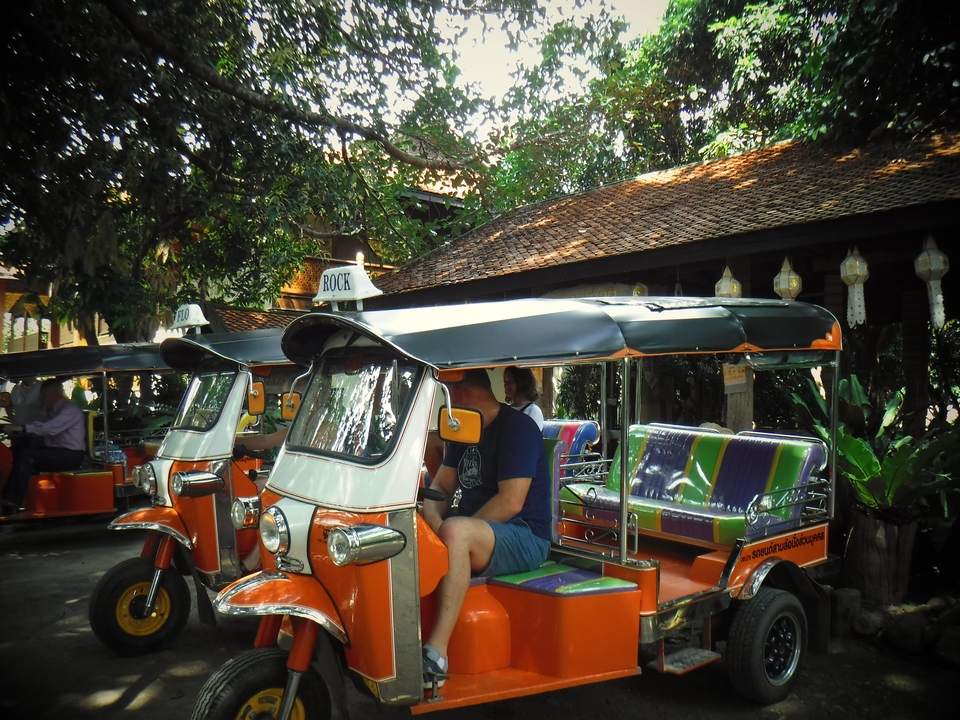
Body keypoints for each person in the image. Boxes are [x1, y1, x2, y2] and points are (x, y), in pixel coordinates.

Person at [419, 369, 551, 689]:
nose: (447, 404)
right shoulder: (464, 429)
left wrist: (450, 531)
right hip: (477, 529)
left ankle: (436, 654)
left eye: (448, 396)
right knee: (410, 521)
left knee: (456, 532)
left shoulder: (517, 429)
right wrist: (434, 521)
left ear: (462, 395)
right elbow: (439, 490)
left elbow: (511, 502)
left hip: (524, 534)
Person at [1, 379, 86, 510]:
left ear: (55, 394)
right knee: (15, 451)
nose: (41, 398)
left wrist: (23, 429)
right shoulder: (50, 410)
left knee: (27, 456)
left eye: (43, 395)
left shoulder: (69, 410)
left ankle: (12, 499)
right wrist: (19, 429)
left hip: (70, 455)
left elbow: (50, 428)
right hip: (55, 452)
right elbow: (38, 424)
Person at [502, 366, 544, 430]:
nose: (506, 385)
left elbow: (531, 437)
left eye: (510, 381)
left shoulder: (533, 411)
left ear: (522, 381)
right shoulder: (505, 410)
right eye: (505, 382)